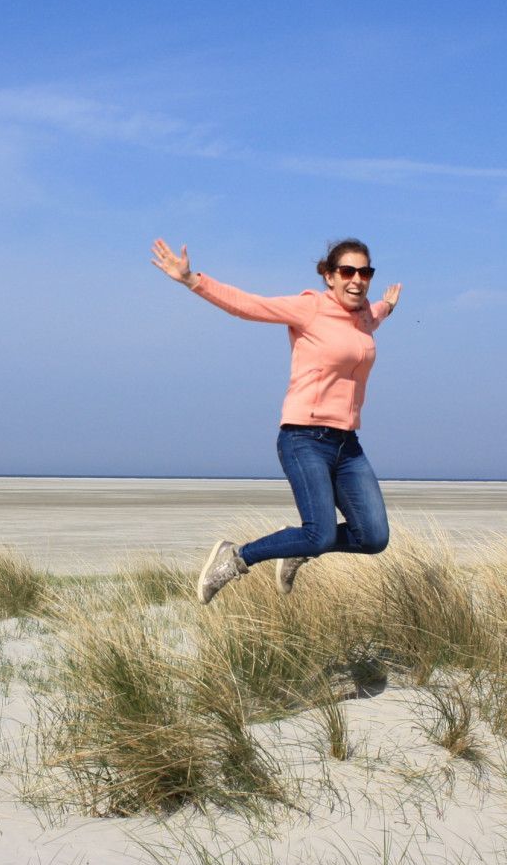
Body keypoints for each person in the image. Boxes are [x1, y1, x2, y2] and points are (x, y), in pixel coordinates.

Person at [150, 237, 402, 603]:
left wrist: (388, 306)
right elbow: (249, 306)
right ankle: (235, 557)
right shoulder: (309, 309)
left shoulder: (364, 316)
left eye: (365, 272)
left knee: (373, 537)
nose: (357, 280)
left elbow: (374, 317)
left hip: (348, 445)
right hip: (305, 439)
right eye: (347, 271)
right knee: (321, 534)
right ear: (329, 276)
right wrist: (193, 280)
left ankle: (295, 544)